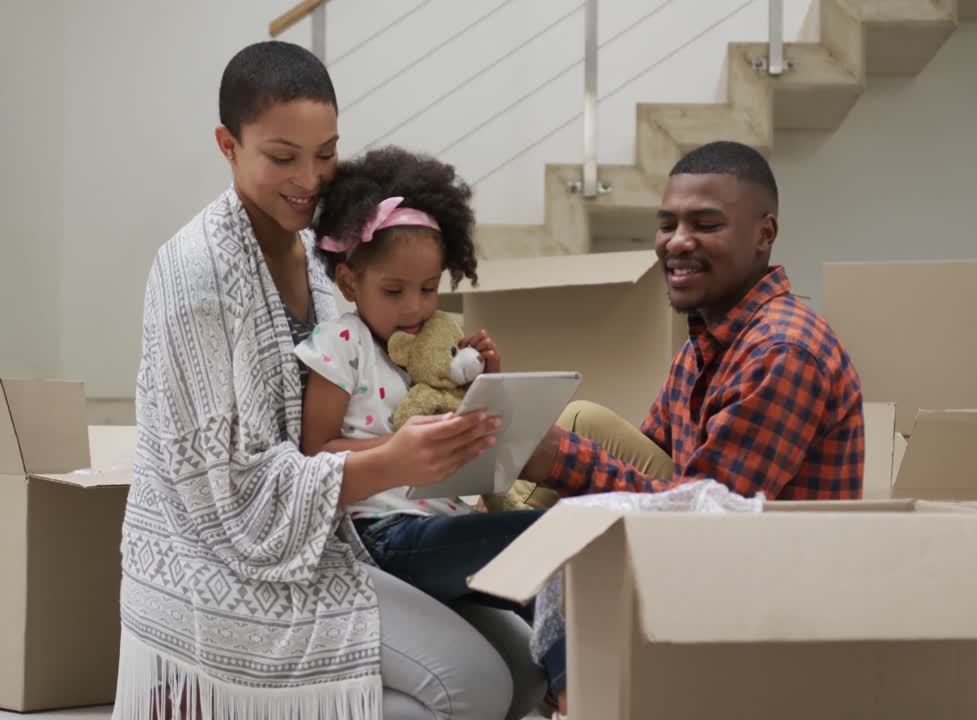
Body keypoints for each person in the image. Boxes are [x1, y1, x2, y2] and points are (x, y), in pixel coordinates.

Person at [114, 41, 537, 720]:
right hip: (221, 570)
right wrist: (390, 462)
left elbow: (373, 385)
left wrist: (462, 398)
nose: (310, 179)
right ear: (228, 144)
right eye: (283, 157)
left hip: (329, 537)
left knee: (527, 670)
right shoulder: (195, 274)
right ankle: (209, 702)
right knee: (473, 688)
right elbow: (230, 496)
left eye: (327, 153)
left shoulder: (320, 254)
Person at [295, 145, 564, 716]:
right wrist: (400, 451)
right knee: (547, 537)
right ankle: (574, 692)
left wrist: (485, 387)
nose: (415, 307)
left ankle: (561, 680)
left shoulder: (425, 355)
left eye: (428, 289)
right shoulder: (343, 345)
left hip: (436, 521)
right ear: (348, 282)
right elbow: (314, 454)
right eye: (393, 291)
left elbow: (467, 441)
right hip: (381, 535)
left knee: (550, 559)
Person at [522, 140, 865, 500]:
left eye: (705, 224)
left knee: (564, 451)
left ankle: (491, 542)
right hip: (706, 538)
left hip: (759, 552)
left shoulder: (781, 351)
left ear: (764, 234)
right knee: (583, 421)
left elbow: (710, 518)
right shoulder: (702, 345)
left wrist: (560, 460)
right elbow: (651, 465)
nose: (678, 242)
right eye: (668, 225)